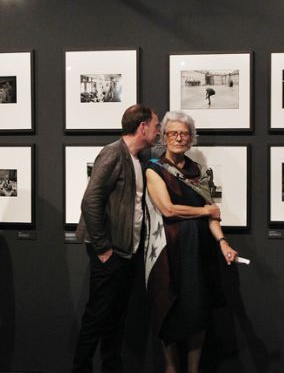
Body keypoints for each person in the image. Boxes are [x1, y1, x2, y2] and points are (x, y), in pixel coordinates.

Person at [144, 111, 238, 373]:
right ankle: (171, 368)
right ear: (163, 137)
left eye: (184, 133)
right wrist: (205, 211)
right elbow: (169, 209)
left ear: (191, 139)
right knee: (170, 309)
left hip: (199, 251)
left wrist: (223, 243)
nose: (178, 137)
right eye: (173, 133)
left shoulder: (198, 171)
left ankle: (194, 370)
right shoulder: (154, 169)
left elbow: (214, 215)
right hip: (169, 253)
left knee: (199, 310)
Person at [72, 104, 160, 373]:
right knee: (98, 316)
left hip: (126, 252)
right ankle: (81, 368)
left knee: (116, 317)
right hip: (110, 253)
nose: (158, 132)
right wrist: (103, 248)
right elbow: (90, 201)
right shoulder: (112, 153)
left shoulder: (138, 159)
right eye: (156, 126)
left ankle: (112, 367)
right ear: (142, 127)